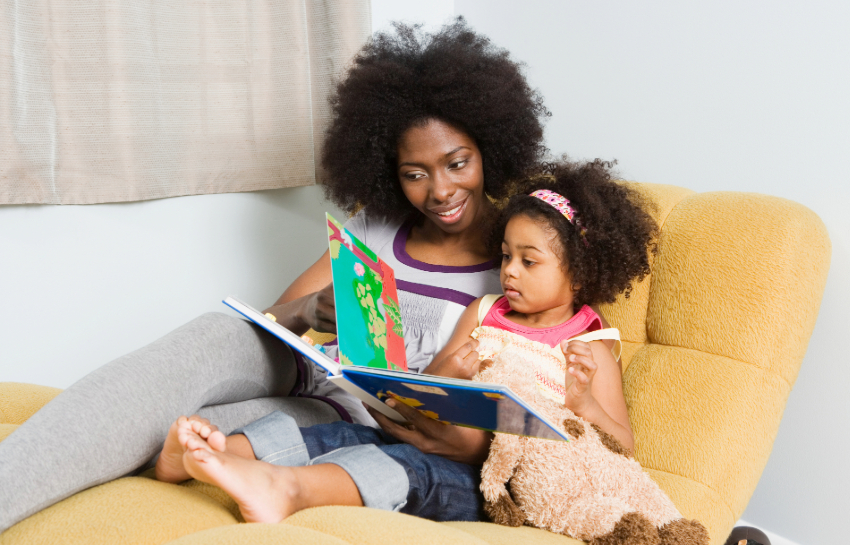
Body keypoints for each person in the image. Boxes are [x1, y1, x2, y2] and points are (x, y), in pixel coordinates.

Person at [0, 18, 551, 532]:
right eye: (414, 174)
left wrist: (468, 446)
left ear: (491, 149)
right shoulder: (380, 226)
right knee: (215, 337)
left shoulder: (521, 262)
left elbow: (538, 405)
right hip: (320, 386)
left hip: (350, 429)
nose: (440, 191)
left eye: (458, 163)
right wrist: (306, 312)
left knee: (169, 434)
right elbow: (274, 331)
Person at [149, 158, 658, 524]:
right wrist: (447, 375)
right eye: (505, 256)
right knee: (346, 436)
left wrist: (584, 401)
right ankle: (212, 451)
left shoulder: (588, 347)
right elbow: (425, 384)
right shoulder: (482, 313)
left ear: (580, 274)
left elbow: (624, 447)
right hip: (432, 436)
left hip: (494, 482)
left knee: (406, 468)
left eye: (529, 261)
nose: (509, 271)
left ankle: (287, 488)